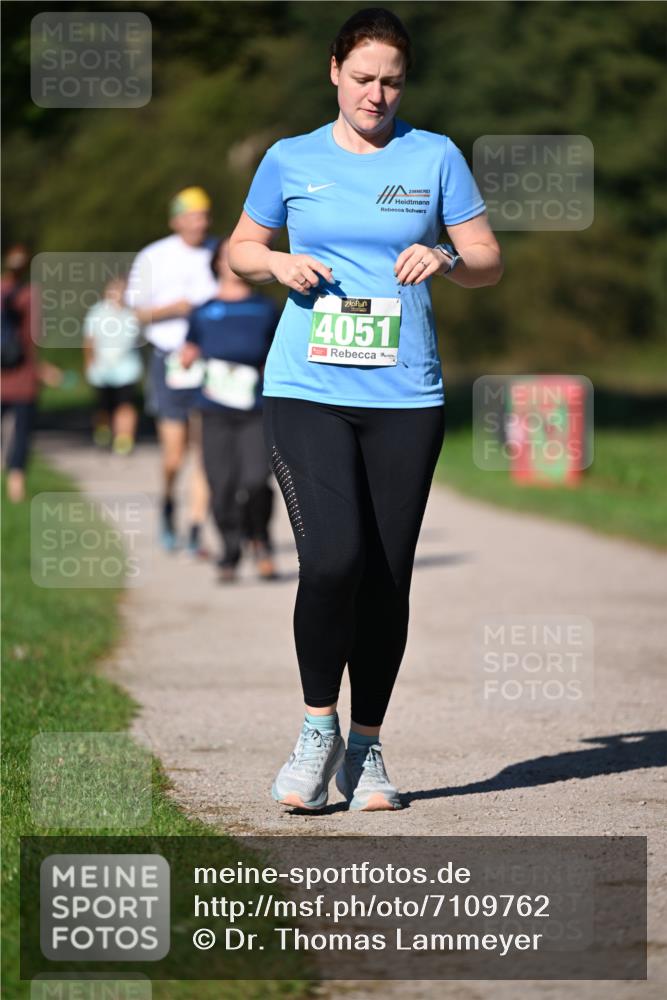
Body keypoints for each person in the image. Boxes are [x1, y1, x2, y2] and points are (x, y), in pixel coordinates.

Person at [229, 6, 502, 811]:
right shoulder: (290, 158)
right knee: (333, 559)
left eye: (390, 80)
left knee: (385, 577)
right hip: (307, 386)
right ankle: (316, 730)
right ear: (333, 73)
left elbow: (487, 260)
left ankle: (366, 750)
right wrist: (275, 260)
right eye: (362, 78)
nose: (376, 94)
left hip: (405, 395)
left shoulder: (435, 156)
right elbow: (238, 249)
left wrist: (447, 256)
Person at [180, 238, 279, 583]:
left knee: (255, 480)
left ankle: (261, 539)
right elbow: (189, 349)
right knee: (221, 484)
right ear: (218, 264)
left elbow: (279, 354)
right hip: (213, 408)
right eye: (226, 256)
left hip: (255, 407)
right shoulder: (202, 311)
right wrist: (187, 357)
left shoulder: (265, 309)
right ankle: (230, 549)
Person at [125, 187, 218, 552]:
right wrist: (175, 310)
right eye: (193, 216)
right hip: (169, 359)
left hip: (209, 362)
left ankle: (196, 529)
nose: (200, 223)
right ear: (175, 220)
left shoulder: (219, 252)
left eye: (205, 215)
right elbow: (135, 313)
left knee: (206, 451)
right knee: (174, 455)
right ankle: (167, 506)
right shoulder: (154, 256)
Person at [1, 244, 61, 503]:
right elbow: (32, 339)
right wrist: (42, 371)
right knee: (22, 434)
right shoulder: (32, 296)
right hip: (24, 378)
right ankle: (16, 487)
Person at [83, 276, 143, 455]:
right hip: (102, 369)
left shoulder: (133, 313)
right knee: (104, 407)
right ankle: (103, 431)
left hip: (126, 369)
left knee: (125, 405)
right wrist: (89, 363)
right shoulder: (97, 312)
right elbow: (89, 340)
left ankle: (124, 439)